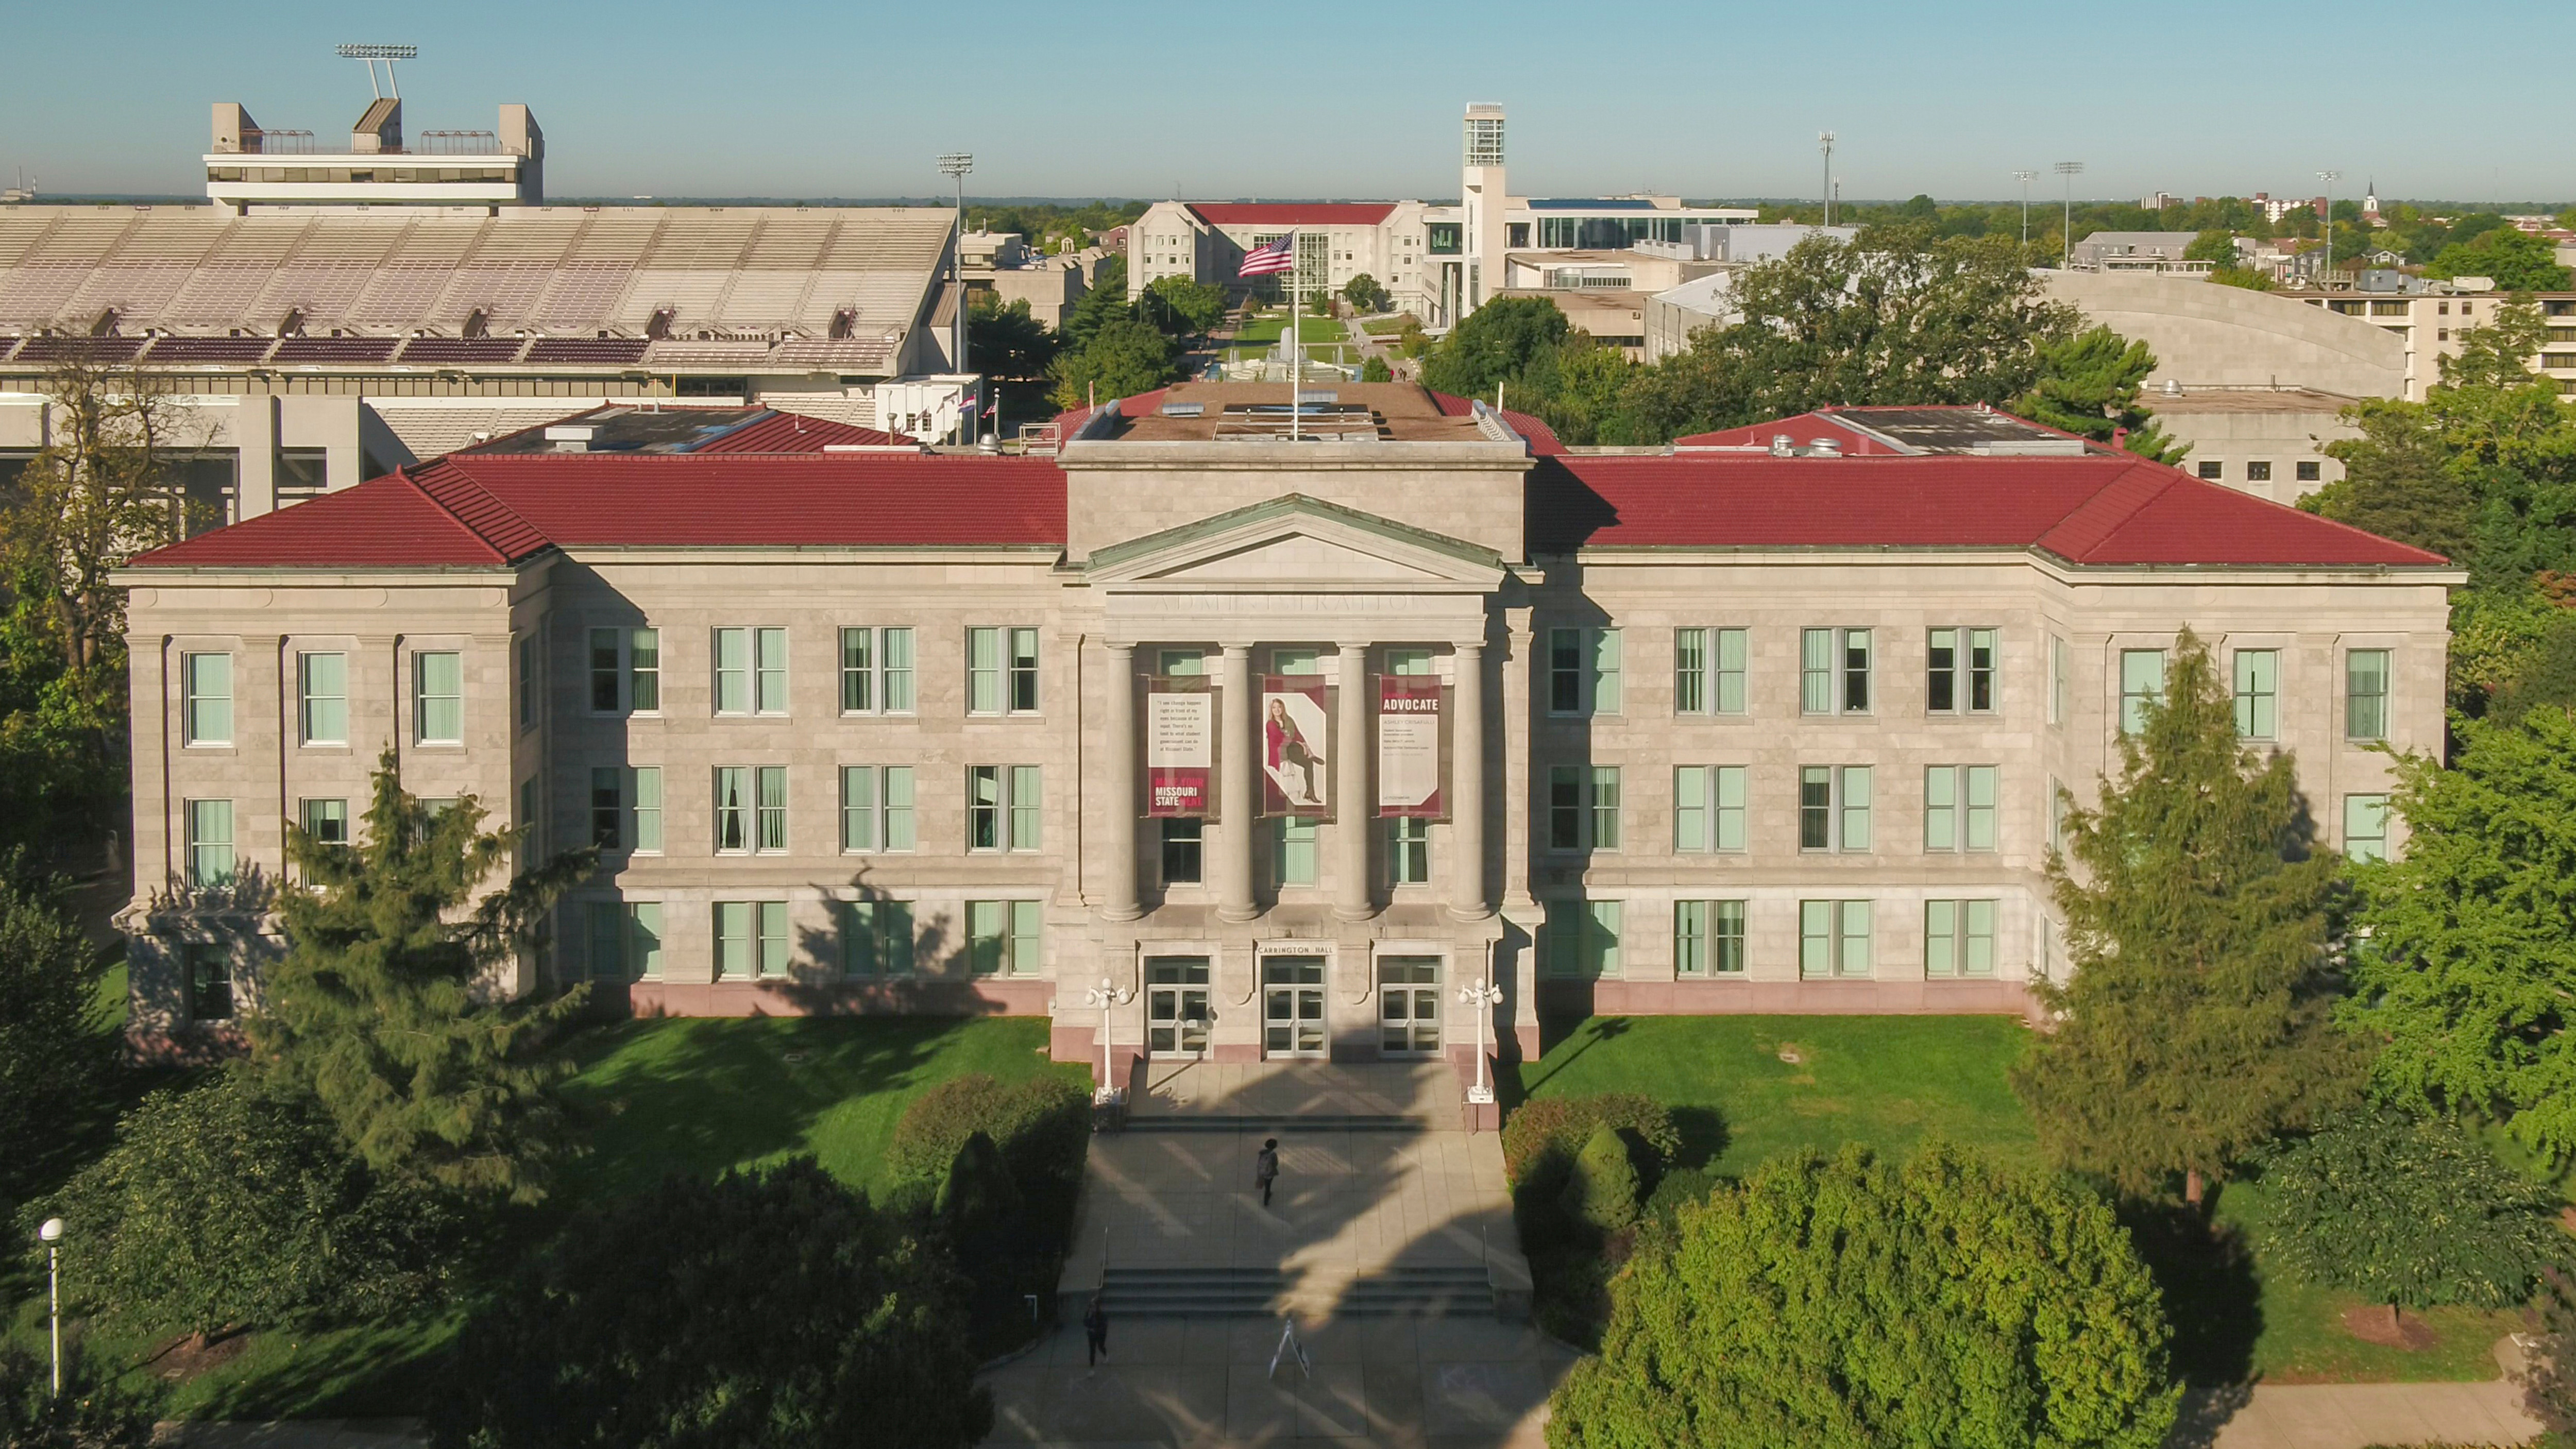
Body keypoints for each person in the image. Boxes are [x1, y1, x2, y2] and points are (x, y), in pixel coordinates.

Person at [1264, 698, 1322, 805]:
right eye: (1274, 708)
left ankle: (1310, 792)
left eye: (1279, 707)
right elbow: (1281, 739)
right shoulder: (1270, 724)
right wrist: (1299, 743)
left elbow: (1297, 734)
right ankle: (1310, 756)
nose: (1277, 710)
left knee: (1308, 764)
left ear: (1283, 708)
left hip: (1291, 749)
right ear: (1271, 710)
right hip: (1280, 752)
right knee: (1295, 745)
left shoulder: (1289, 720)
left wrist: (1305, 745)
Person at [1084, 1294, 1109, 1368]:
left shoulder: (1102, 1315)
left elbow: (1104, 1327)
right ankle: (1092, 1368)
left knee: (1101, 1346)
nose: (1092, 1309)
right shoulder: (1089, 1315)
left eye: (1094, 1307)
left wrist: (1095, 1330)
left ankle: (1106, 1355)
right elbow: (1085, 1323)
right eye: (1091, 1307)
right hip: (1092, 1335)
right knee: (1092, 1351)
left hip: (1100, 1334)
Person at [1256, 1136, 1281, 1208]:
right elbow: (1275, 1163)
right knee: (1268, 1185)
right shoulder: (1273, 1154)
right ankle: (1266, 1200)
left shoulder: (1262, 1152)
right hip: (1269, 1173)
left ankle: (1268, 1192)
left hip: (1262, 1171)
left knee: (1267, 1184)